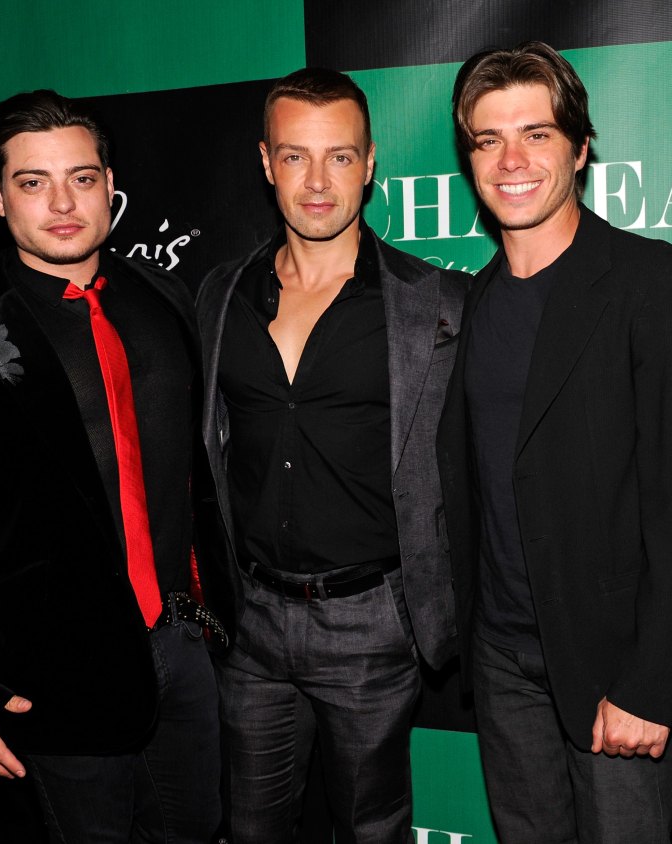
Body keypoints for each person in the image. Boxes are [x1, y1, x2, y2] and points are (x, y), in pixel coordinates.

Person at [0, 89, 224, 843]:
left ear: (111, 185)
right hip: (53, 685)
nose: (63, 202)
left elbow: (193, 481)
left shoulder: (166, 300)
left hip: (185, 654)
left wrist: (214, 623)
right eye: (33, 181)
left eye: (82, 176)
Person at [436, 42, 672, 843]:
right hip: (500, 657)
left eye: (537, 133)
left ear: (580, 146)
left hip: (616, 661)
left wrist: (650, 681)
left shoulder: (653, 283)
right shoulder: (476, 301)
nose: (512, 159)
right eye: (488, 139)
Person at [196, 68, 469, 843]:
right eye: (295, 157)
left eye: (340, 157)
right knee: (250, 828)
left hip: (373, 624)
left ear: (371, 162)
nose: (317, 182)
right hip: (246, 621)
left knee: (369, 829)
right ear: (264, 161)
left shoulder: (435, 305)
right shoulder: (221, 295)